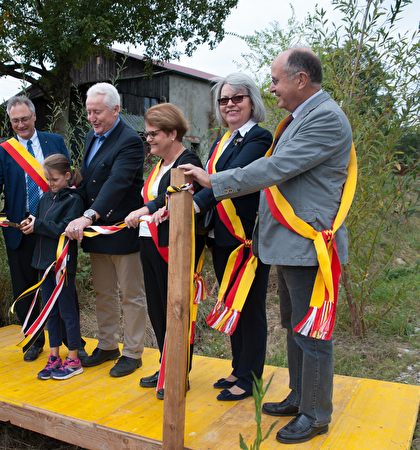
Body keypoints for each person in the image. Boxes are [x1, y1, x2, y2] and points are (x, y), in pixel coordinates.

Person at [181, 48, 353, 444]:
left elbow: (278, 167)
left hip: (311, 246)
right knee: (294, 328)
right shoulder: (301, 117)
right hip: (292, 245)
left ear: (300, 80)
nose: (271, 88)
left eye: (275, 80)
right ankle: (299, 396)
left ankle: (316, 414)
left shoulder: (324, 118)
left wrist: (214, 181)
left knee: (312, 335)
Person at [0, 95, 71, 362]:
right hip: (20, 227)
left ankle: (69, 341)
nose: (20, 124)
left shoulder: (55, 141)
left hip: (52, 226)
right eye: (15, 120)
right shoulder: (3, 151)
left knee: (58, 284)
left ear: (35, 116)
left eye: (25, 119)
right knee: (26, 288)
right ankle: (34, 340)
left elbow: (70, 181)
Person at [192, 74, 272, 402]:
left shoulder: (259, 138)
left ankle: (251, 377)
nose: (230, 105)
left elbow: (232, 178)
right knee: (232, 302)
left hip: (246, 237)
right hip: (222, 236)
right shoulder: (224, 140)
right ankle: (239, 367)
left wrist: (196, 203)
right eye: (224, 100)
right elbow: (206, 179)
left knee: (250, 307)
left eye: (237, 98)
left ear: (253, 101)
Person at [65, 82, 147, 378]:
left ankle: (133, 352)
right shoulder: (90, 136)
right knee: (103, 292)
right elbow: (91, 180)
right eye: (88, 112)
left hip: (122, 228)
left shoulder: (130, 141)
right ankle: (109, 344)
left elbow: (117, 182)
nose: (92, 118)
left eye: (97, 112)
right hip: (96, 230)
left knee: (131, 295)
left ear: (116, 109)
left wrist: (89, 215)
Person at [124, 103, 203, 399]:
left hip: (174, 246)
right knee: (158, 308)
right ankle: (165, 364)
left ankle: (180, 373)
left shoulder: (187, 160)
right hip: (149, 241)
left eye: (154, 133)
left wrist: (145, 208)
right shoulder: (158, 165)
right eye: (146, 134)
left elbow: (172, 195)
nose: (149, 139)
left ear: (172, 133)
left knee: (176, 310)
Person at [20, 154, 85, 380]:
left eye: (55, 179)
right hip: (43, 263)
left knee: (67, 311)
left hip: (62, 265)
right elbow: (42, 224)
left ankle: (74, 358)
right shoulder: (46, 198)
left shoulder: (74, 200)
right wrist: (30, 224)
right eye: (48, 179)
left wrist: (38, 224)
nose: (50, 184)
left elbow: (63, 227)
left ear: (67, 176)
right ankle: (55, 356)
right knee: (51, 312)